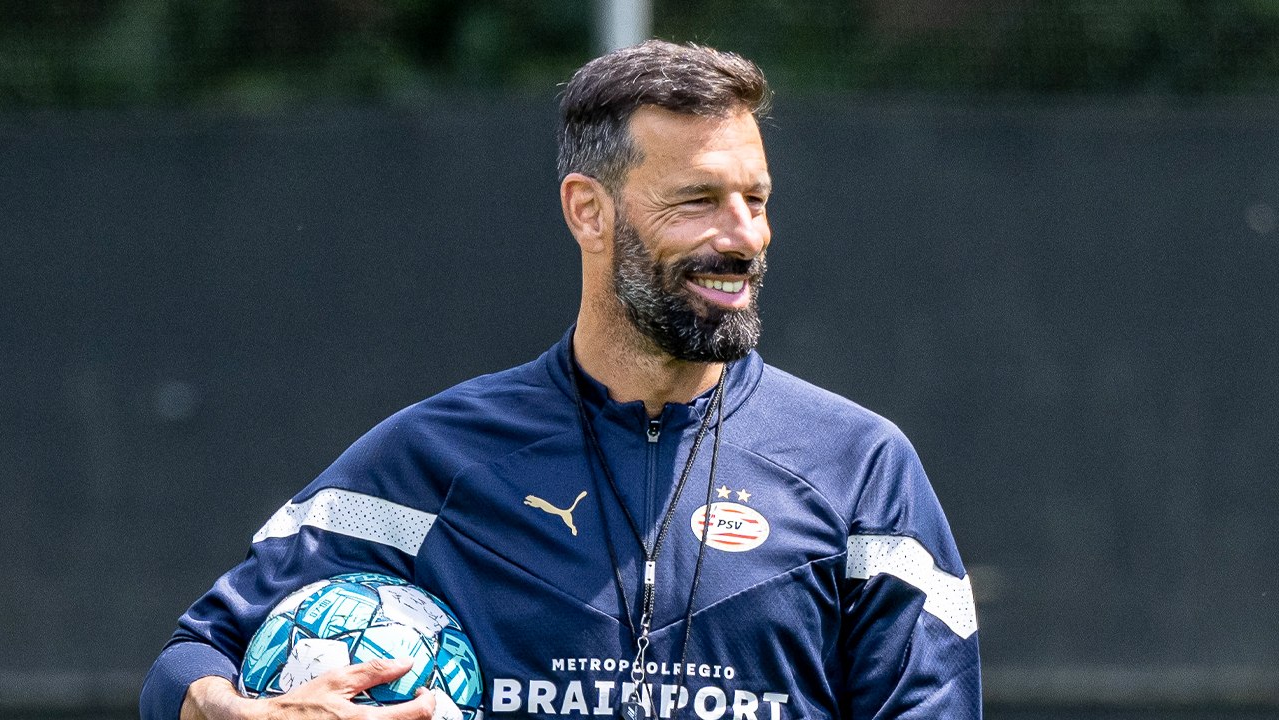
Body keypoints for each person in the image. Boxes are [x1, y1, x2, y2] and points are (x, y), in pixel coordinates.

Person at [140, 40, 981, 720]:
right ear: (589, 211)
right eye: (698, 201)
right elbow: (188, 659)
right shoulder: (434, 458)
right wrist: (237, 712)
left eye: (755, 201)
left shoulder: (862, 468)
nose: (743, 237)